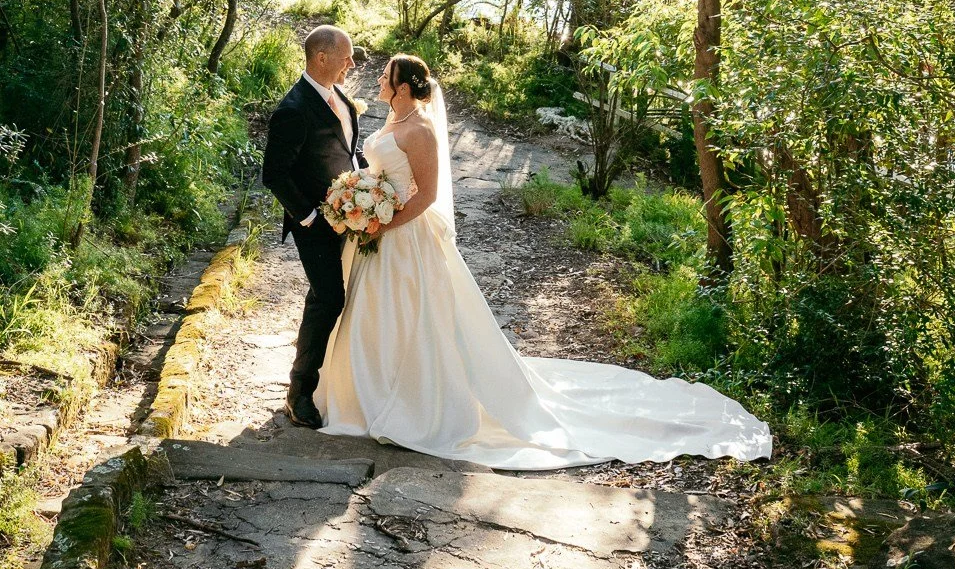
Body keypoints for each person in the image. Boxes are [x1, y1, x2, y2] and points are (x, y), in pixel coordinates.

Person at [315, 53, 772, 469]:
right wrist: (361, 201)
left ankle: (413, 405)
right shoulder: (391, 121)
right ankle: (364, 396)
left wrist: (382, 222)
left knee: (415, 320)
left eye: (386, 75)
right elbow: (381, 175)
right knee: (373, 316)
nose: (378, 78)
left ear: (404, 86)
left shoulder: (420, 129)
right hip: (377, 237)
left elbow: (429, 195)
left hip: (406, 239)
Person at [260, 24, 365, 429]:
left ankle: (329, 381)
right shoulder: (293, 108)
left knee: (331, 297)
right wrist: (309, 217)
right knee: (329, 297)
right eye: (347, 56)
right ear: (322, 58)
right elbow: (275, 173)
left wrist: (368, 192)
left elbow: (348, 155)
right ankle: (299, 392)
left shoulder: (342, 99)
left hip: (351, 217)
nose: (351, 64)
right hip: (314, 223)